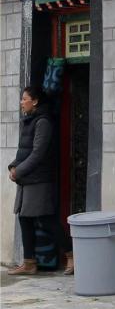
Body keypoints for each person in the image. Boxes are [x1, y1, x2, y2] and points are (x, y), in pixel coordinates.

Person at [7, 86, 74, 276]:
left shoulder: (43, 122)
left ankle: (72, 255)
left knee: (46, 219)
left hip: (39, 179)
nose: (21, 102)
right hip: (27, 178)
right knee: (24, 218)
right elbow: (24, 151)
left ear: (35, 101)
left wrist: (19, 171)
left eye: (24, 99)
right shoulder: (29, 120)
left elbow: (38, 153)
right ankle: (29, 263)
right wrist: (13, 166)